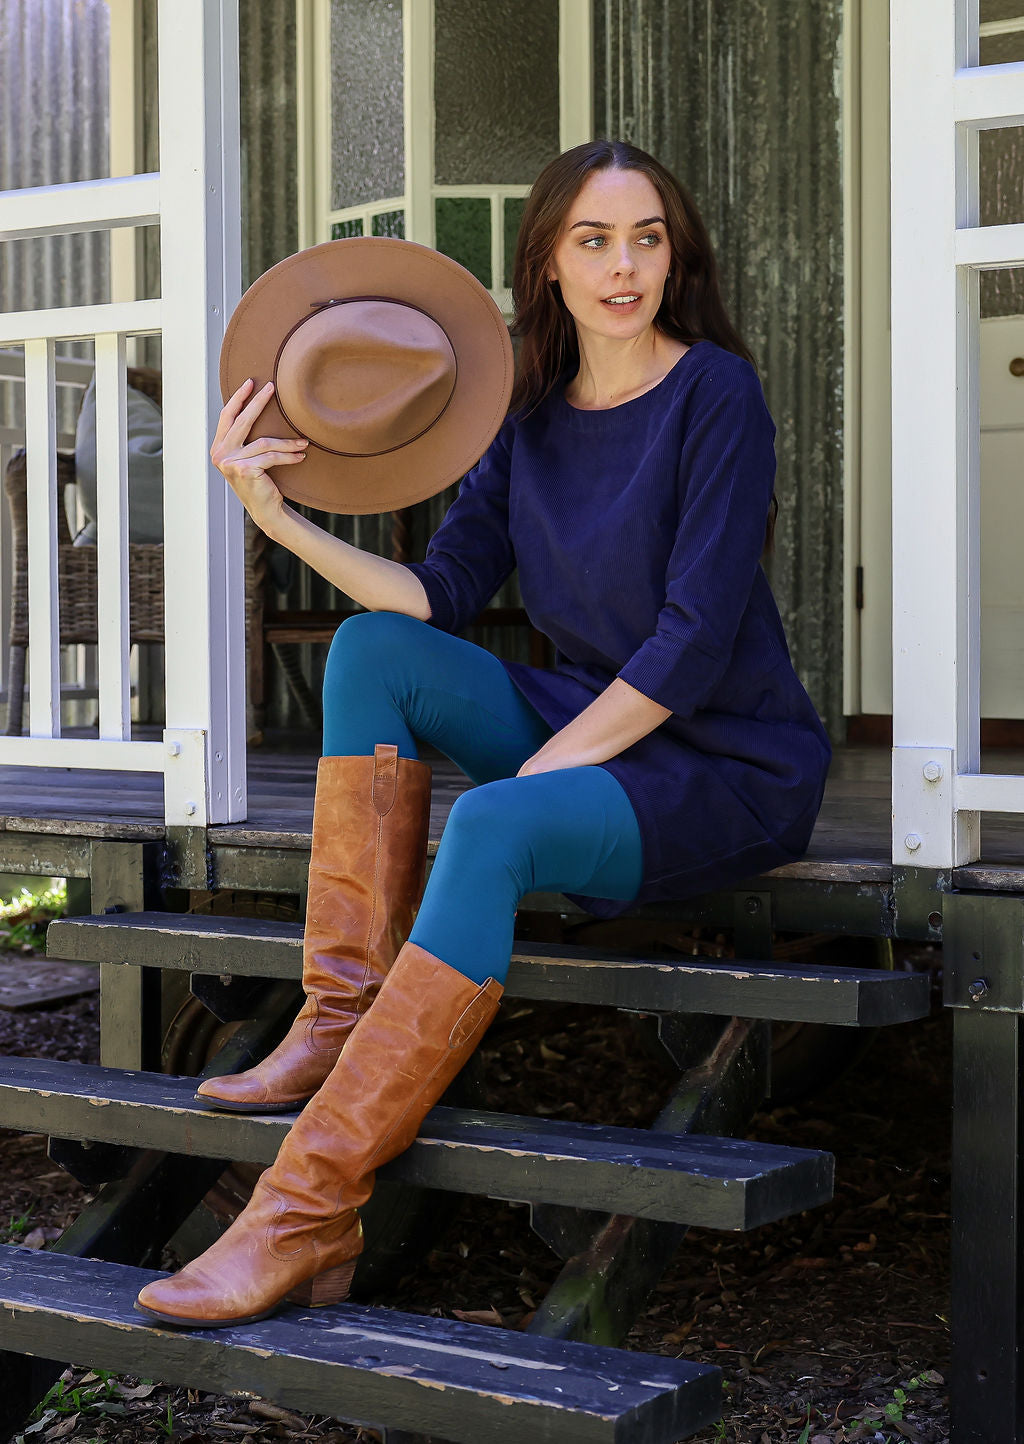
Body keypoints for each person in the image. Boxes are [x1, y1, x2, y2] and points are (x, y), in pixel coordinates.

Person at [135, 139, 831, 1328]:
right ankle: (337, 1014)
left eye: (646, 238)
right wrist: (273, 511)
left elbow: (694, 636)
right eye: (593, 241)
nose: (624, 267)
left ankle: (305, 1210)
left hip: (723, 762)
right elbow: (437, 592)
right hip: (594, 727)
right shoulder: (528, 415)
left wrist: (553, 763)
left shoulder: (716, 392)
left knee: (500, 821)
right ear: (547, 265)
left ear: (677, 256)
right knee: (372, 649)